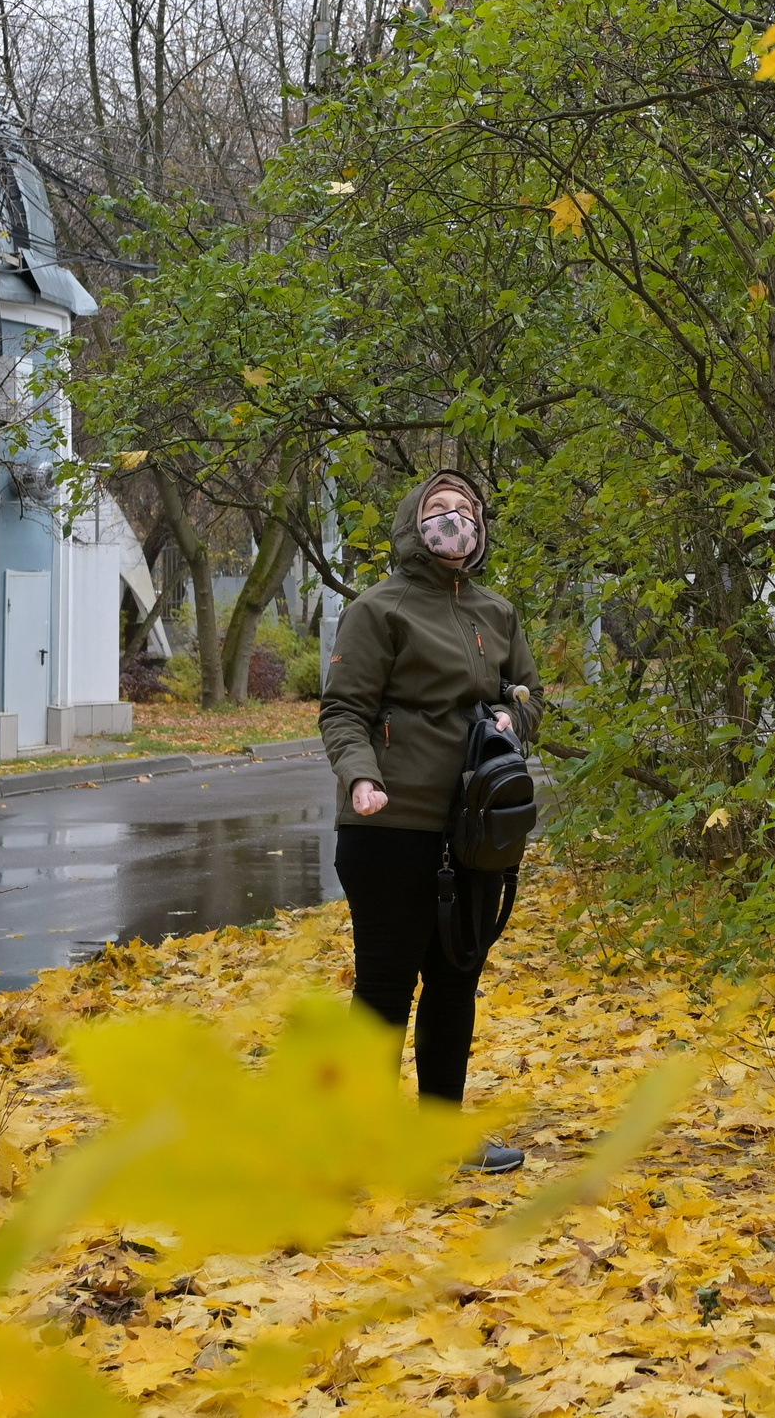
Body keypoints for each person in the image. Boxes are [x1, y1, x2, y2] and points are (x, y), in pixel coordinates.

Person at [320, 470, 542, 1173]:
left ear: (480, 527)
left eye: (465, 509)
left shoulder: (497, 611)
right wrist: (361, 776)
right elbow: (344, 709)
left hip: (476, 829)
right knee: (385, 987)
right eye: (438, 508)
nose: (453, 519)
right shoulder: (378, 608)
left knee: (455, 980)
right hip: (389, 827)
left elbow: (529, 696)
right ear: (413, 524)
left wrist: (513, 717)